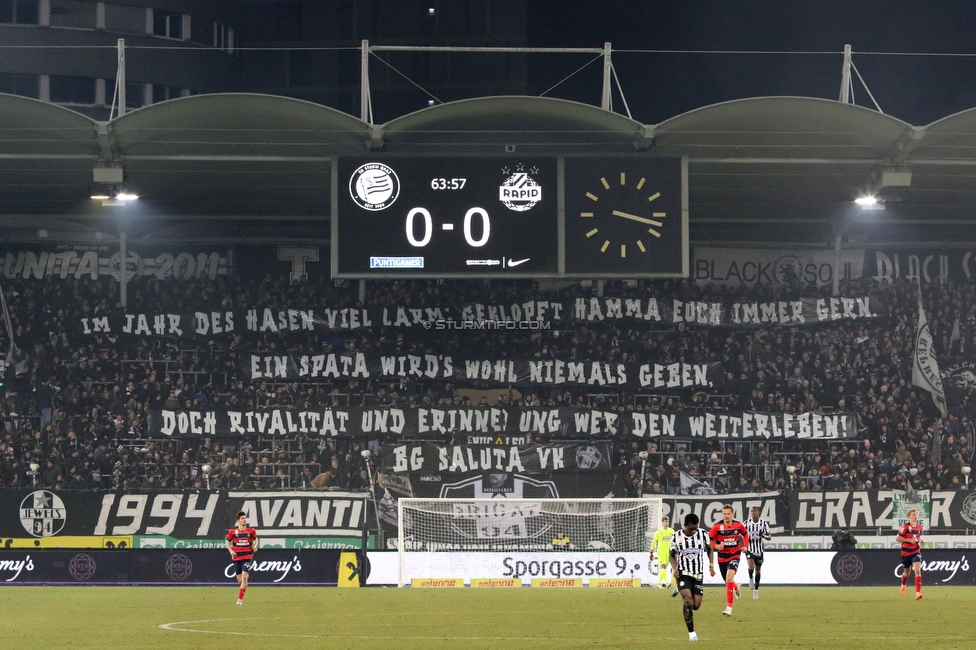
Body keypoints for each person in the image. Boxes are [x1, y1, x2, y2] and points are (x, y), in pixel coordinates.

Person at [669, 513, 715, 642]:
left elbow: (710, 549)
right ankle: (692, 633)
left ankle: (679, 589)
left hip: (698, 574)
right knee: (688, 600)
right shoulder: (676, 537)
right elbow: (671, 555)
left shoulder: (703, 534)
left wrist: (711, 565)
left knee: (696, 606)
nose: (694, 531)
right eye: (691, 529)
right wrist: (675, 568)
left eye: (695, 528)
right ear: (685, 525)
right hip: (683, 573)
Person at [708, 504, 749, 617]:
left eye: (728, 514)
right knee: (728, 583)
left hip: (735, 556)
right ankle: (736, 587)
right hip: (722, 558)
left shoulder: (738, 525)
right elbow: (709, 538)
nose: (726, 516)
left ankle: (729, 608)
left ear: (732, 514)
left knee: (729, 578)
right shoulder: (717, 527)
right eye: (724, 514)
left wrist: (745, 546)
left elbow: (745, 535)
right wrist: (716, 546)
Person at [226, 510, 258, 605]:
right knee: (240, 580)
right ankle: (244, 585)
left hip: (247, 556)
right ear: (238, 521)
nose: (244, 520)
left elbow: (255, 539)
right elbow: (227, 541)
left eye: (245, 518)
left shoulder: (251, 531)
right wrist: (231, 551)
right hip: (237, 558)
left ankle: (239, 600)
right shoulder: (232, 532)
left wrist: (255, 545)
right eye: (242, 519)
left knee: (244, 577)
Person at [895, 507, 924, 600]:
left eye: (916, 514)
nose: (915, 516)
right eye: (913, 514)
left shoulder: (919, 527)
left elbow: (917, 537)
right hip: (906, 553)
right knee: (906, 572)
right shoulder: (905, 527)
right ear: (909, 516)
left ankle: (918, 593)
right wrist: (909, 540)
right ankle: (903, 585)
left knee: (917, 570)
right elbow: (898, 538)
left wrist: (921, 540)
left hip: (916, 551)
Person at [744, 506, 771, 599]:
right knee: (751, 567)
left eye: (754, 511)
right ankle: (750, 578)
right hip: (750, 549)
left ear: (758, 512)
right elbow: (741, 534)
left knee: (758, 571)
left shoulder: (763, 523)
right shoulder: (746, 523)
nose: (753, 513)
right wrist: (747, 539)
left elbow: (769, 537)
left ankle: (756, 590)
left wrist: (762, 535)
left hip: (759, 550)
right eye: (751, 511)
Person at [650, 515, 676, 588]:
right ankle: (667, 582)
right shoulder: (659, 531)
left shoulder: (671, 531)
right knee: (663, 566)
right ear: (662, 522)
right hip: (661, 552)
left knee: (664, 568)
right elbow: (654, 541)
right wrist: (651, 552)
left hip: (669, 552)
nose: (667, 523)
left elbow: (675, 540)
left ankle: (659, 583)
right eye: (665, 521)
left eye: (668, 521)